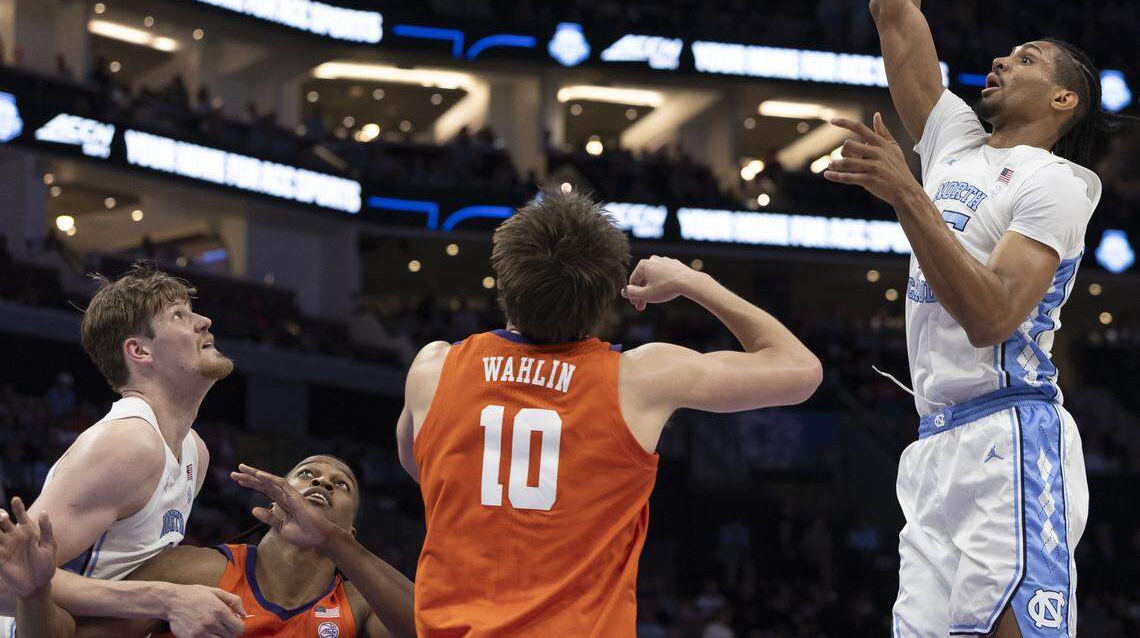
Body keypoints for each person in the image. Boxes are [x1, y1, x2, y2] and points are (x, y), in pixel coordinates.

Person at [824, 0, 1106, 637]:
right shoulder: (952, 136)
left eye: (1027, 58)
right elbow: (895, 5)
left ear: (1064, 101)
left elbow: (990, 317)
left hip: (1010, 438)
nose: (1004, 60)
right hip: (935, 438)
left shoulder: (1059, 184)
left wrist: (907, 194)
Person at [398, 187, 823, 636]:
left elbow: (420, 468)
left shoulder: (433, 367)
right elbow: (801, 371)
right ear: (606, 298)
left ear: (502, 281)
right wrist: (690, 281)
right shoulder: (642, 378)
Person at [0, 264, 244, 638]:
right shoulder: (128, 444)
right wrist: (165, 599)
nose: (204, 320)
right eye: (179, 314)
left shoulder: (195, 451)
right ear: (139, 350)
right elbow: (8, 582)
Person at [0, 456, 416, 638]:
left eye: (340, 484)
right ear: (274, 503)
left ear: (352, 534)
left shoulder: (357, 606)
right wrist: (34, 592)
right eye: (307, 473)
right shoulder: (194, 571)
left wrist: (333, 542)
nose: (322, 482)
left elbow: (432, 629)